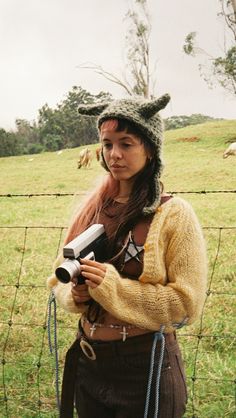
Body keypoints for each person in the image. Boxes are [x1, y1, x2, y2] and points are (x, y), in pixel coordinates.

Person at [47, 93, 207, 418]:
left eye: (127, 143)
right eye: (107, 144)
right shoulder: (93, 208)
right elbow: (56, 280)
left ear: (150, 147)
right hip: (90, 363)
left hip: (144, 368)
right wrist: (75, 294)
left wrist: (112, 287)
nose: (114, 155)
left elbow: (185, 306)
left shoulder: (174, 214)